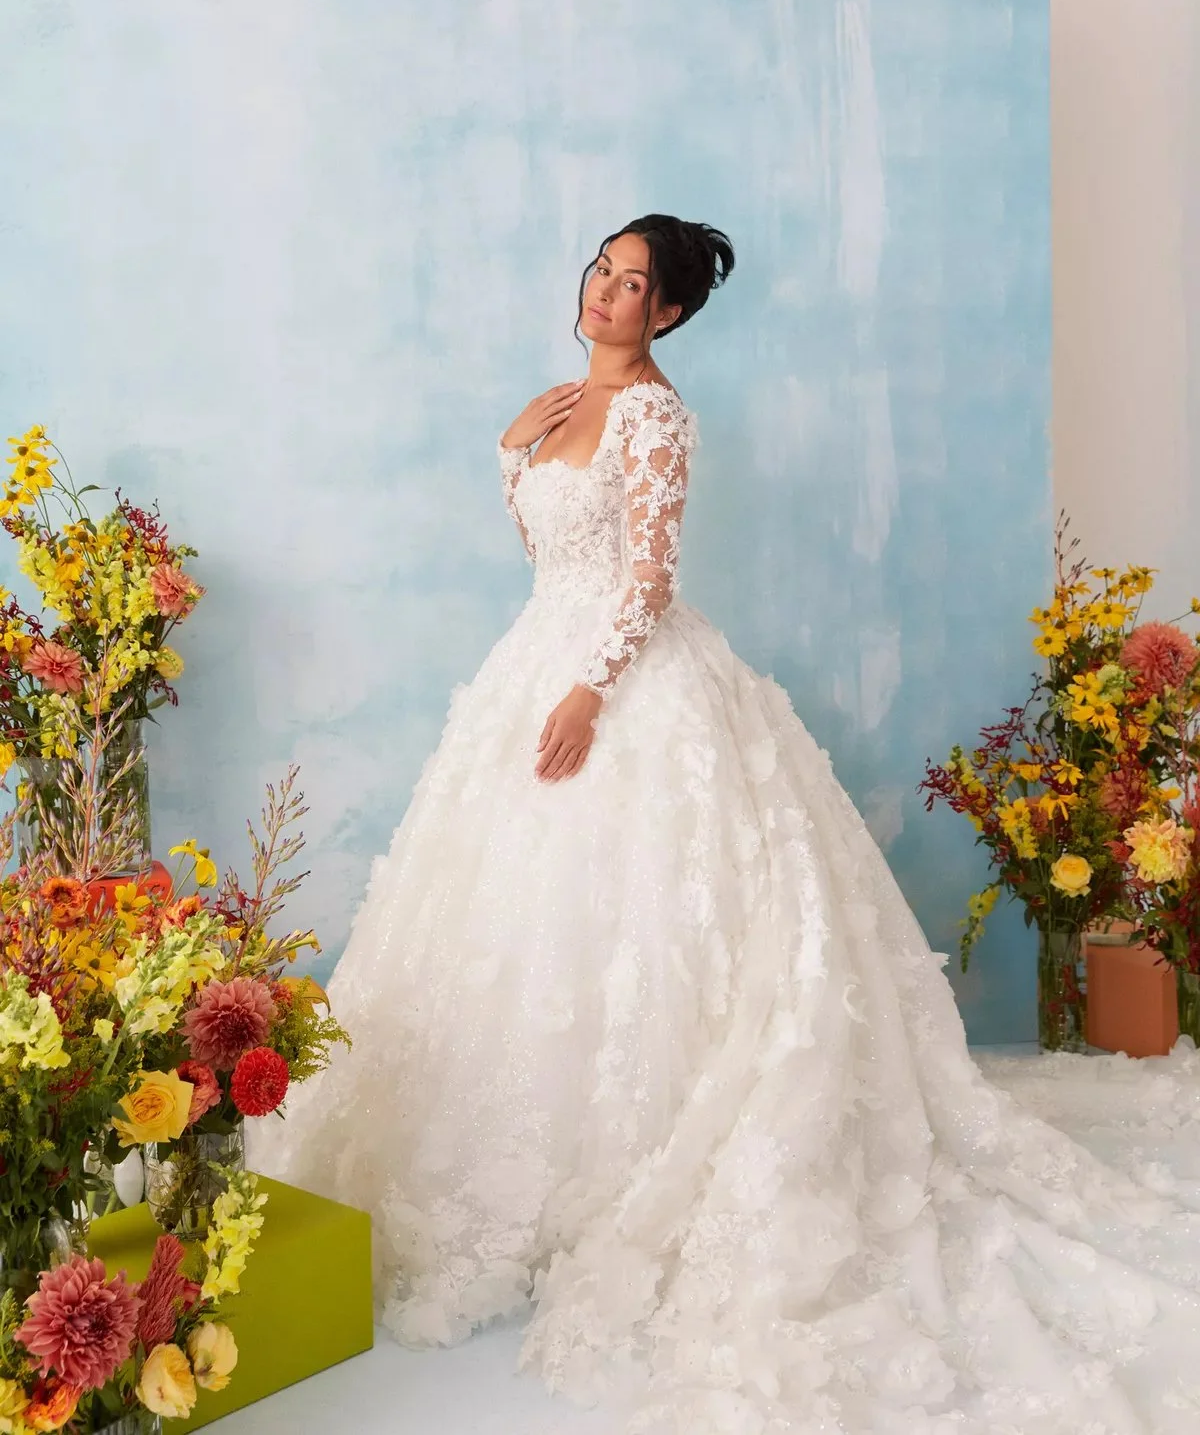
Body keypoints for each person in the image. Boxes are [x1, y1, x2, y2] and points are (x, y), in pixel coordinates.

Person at [261, 215, 1200, 1433]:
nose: (605, 293)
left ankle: (630, 1172)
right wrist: (510, 455)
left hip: (619, 680)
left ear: (669, 313)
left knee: (644, 922)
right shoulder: (559, 406)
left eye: (633, 285)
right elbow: (551, 552)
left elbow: (647, 579)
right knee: (518, 920)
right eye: (602, 271)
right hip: (534, 657)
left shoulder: (659, 417)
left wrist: (590, 694)